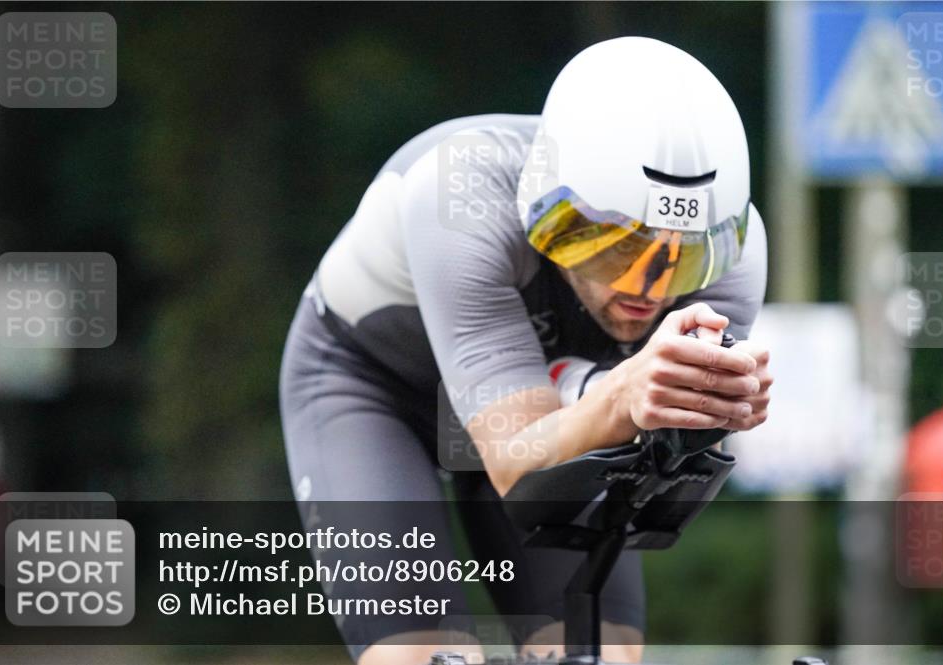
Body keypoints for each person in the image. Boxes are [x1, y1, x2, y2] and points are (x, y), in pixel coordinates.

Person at [280, 37, 773, 665]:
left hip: (562, 404)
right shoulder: (459, 196)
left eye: (682, 260)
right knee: (421, 656)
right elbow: (516, 459)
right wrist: (624, 392)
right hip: (375, 387)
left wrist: (702, 414)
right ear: (553, 214)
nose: (647, 289)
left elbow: (644, 466)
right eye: (620, 247)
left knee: (602, 654)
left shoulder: (735, 250)